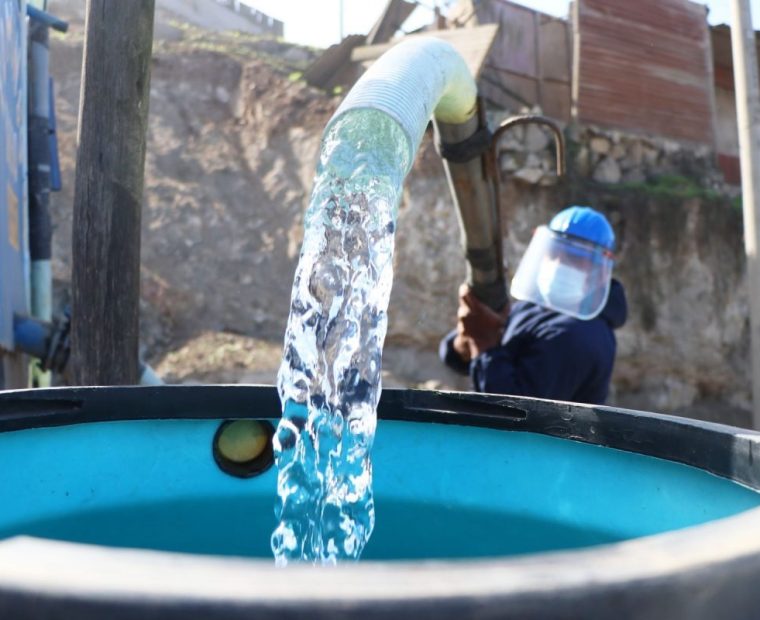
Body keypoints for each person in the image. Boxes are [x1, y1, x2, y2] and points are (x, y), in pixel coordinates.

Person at [440, 206, 628, 405]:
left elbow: (513, 413)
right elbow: (454, 357)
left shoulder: (582, 336)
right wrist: (466, 337)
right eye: (554, 252)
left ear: (599, 273)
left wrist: (482, 344)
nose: (559, 263)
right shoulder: (534, 307)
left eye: (574, 258)